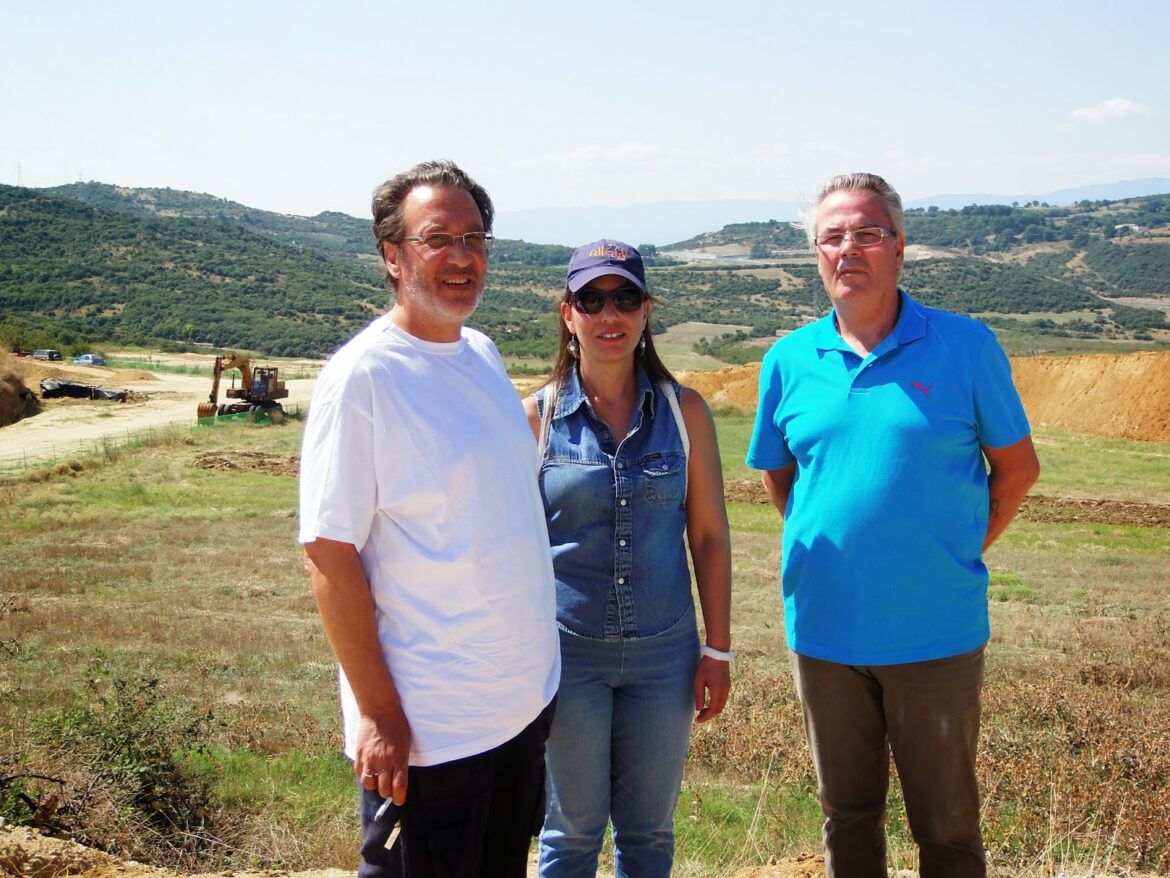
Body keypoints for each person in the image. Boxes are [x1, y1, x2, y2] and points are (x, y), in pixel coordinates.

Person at [746, 173, 1040, 878]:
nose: (849, 249)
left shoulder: (966, 347)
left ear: (900, 248)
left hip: (934, 632)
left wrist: (955, 547)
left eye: (868, 233)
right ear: (817, 254)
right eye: (833, 236)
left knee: (947, 829)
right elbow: (779, 475)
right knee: (847, 820)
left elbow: (1018, 468)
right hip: (825, 632)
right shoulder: (788, 360)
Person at [299, 160, 560, 878]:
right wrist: (379, 715)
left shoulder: (481, 353)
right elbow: (328, 554)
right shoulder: (363, 379)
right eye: (437, 239)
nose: (462, 257)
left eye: (474, 239)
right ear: (392, 255)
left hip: (516, 710)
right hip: (431, 733)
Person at [524, 240, 733, 878]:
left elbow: (709, 536)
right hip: (568, 655)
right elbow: (511, 550)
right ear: (568, 314)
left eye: (625, 298)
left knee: (648, 835)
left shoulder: (684, 412)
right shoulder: (535, 419)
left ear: (647, 311)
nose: (608, 314)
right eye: (591, 299)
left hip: (665, 655)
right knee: (571, 833)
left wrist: (718, 650)